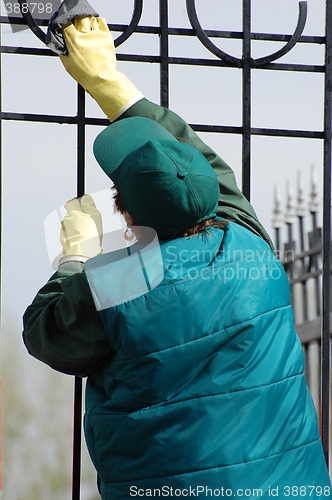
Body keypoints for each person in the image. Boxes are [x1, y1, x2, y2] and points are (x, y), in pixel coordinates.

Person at [22, 16, 331, 500]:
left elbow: (48, 334)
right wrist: (108, 80)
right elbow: (201, 162)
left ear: (126, 212)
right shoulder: (249, 244)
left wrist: (76, 257)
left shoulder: (122, 282)